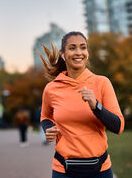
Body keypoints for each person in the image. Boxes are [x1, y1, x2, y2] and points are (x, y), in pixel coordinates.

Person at [39, 31, 125, 178]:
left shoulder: (102, 83)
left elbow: (118, 126)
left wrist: (95, 106)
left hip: (100, 170)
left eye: (83, 47)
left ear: (87, 52)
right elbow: (46, 116)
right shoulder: (51, 88)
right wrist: (48, 128)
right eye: (72, 48)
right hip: (63, 170)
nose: (78, 52)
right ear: (62, 54)